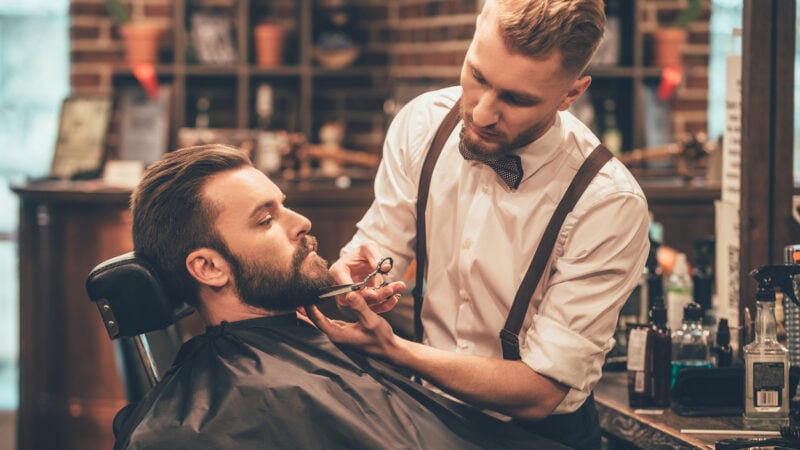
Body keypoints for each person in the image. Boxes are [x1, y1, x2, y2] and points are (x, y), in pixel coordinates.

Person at [309, 1, 650, 449]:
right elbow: (380, 240)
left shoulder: (608, 202)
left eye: (517, 98)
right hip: (426, 415)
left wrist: (393, 350)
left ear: (572, 93)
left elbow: (540, 390)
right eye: (478, 77)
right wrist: (358, 270)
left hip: (537, 436)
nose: (483, 113)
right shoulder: (423, 125)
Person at [112, 144, 567, 450]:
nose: (301, 221)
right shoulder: (222, 415)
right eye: (265, 220)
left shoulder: (307, 344)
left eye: (284, 205)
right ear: (209, 268)